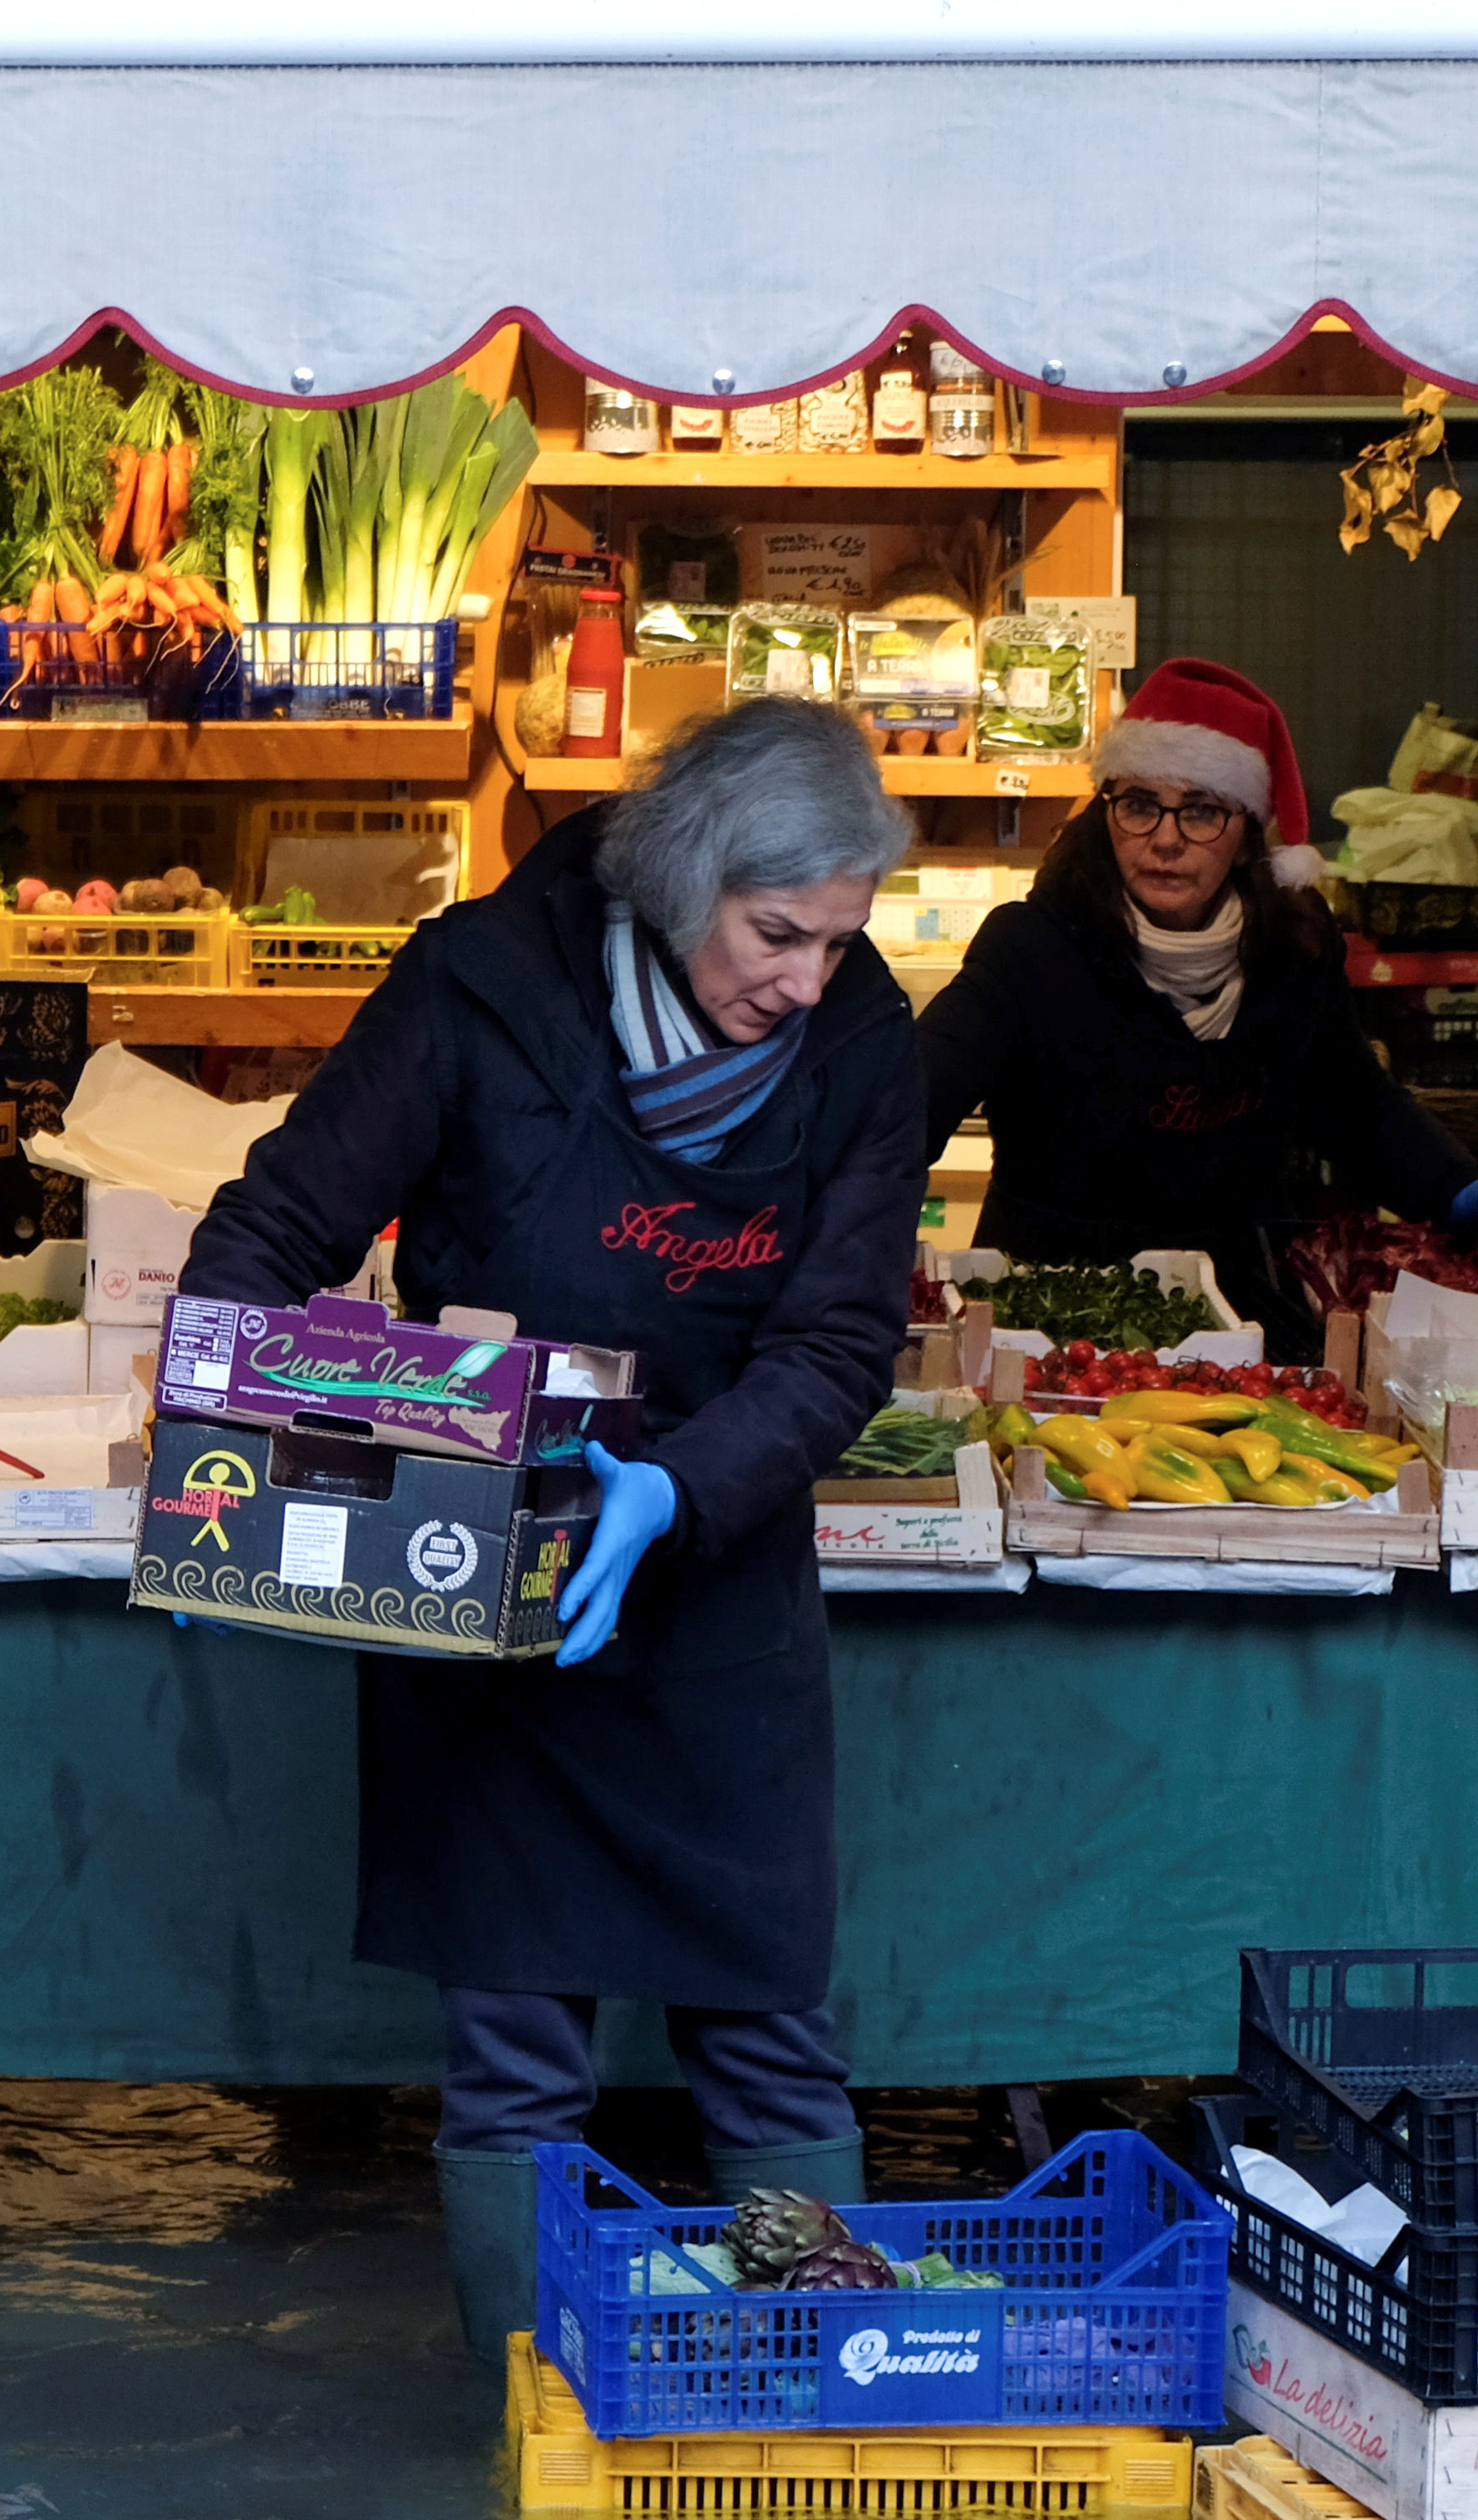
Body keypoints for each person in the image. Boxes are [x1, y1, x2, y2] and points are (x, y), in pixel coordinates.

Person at [180, 700, 927, 2368]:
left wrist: (672, 1489)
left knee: (766, 2028)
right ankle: (525, 2420)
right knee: (515, 2046)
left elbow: (835, 1346)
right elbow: (278, 1222)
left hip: (717, 1575)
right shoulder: (481, 986)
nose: (806, 980)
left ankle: (819, 2399)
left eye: (836, 938)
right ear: (681, 883)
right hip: (485, 1565)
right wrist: (210, 1464)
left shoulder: (863, 1042)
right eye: (776, 932)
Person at [916, 658, 1478, 1355]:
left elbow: (1355, 1104)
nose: (1165, 839)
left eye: (1201, 810)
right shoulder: (1032, 948)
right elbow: (910, 1101)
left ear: (1247, 830)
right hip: (1042, 1311)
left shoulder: (1295, 954)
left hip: (1234, 1313)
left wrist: (1455, 1187)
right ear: (1108, 813)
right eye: (1138, 804)